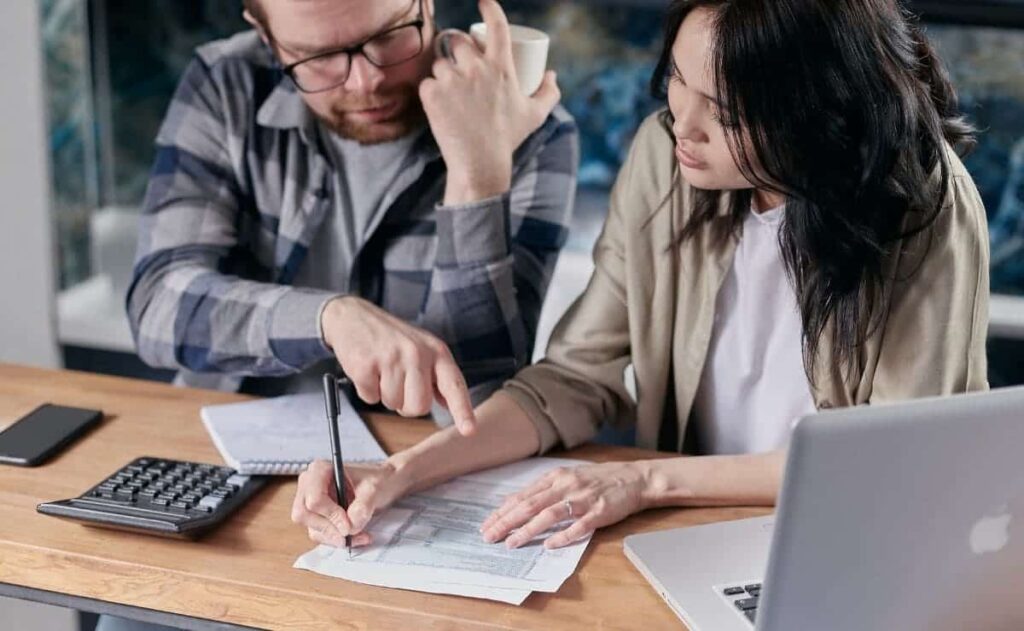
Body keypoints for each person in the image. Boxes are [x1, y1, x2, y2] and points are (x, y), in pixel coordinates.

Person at [292, 0, 989, 553]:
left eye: (723, 111)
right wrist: (401, 472)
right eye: (678, 82)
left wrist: (644, 477)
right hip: (689, 537)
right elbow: (571, 378)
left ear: (817, 112)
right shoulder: (665, 158)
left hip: (849, 544)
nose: (680, 124)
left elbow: (884, 461)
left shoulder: (924, 204)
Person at [126, 0, 578, 431]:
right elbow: (157, 306)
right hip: (225, 429)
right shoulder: (227, 84)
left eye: (387, 36)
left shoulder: (529, 127)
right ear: (265, 35)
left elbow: (478, 408)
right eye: (316, 56)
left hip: (416, 463)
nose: (366, 82)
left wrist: (476, 178)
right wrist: (328, 319)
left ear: (427, 5)